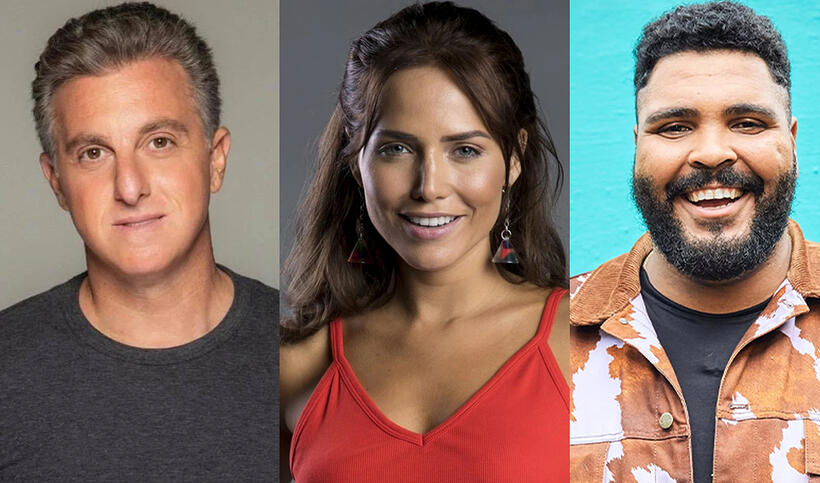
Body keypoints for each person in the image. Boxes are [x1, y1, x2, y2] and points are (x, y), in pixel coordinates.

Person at [569, 2, 820, 482]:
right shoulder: (542, 345)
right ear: (638, 145)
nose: (709, 153)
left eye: (747, 122)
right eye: (675, 127)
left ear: (790, 139)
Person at [281, 2, 569, 481]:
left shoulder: (582, 341)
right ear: (357, 161)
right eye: (397, 149)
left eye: (465, 150)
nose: (429, 186)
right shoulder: (299, 364)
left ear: (514, 160)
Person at [0, 3, 277, 479]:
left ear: (215, 160)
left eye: (160, 142)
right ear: (57, 182)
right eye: (93, 152)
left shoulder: (312, 354)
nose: (129, 187)